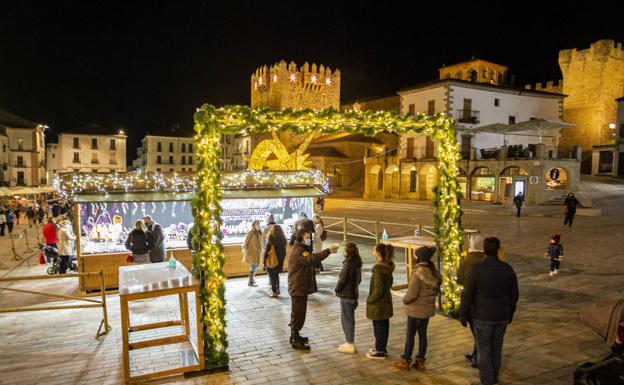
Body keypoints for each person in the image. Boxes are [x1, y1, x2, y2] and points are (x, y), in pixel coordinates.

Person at [459, 237, 519, 385]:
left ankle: (487, 381)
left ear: (484, 250)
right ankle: (493, 377)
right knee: (496, 348)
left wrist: (463, 315)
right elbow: (514, 295)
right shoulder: (507, 269)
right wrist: (510, 313)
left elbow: (467, 294)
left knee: (484, 349)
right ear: (497, 250)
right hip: (501, 316)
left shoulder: (476, 269)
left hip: (482, 316)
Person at [287, 229, 338, 349]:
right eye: (306, 237)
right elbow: (311, 259)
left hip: (300, 286)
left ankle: (296, 334)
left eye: (309, 236)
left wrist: (312, 271)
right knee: (298, 312)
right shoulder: (299, 251)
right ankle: (294, 338)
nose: (309, 238)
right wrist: (328, 250)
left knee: (299, 312)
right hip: (298, 287)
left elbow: (305, 264)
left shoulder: (301, 249)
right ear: (300, 238)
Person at [394, 246, 443, 371]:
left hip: (415, 310)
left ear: (419, 258)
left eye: (415, 255)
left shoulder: (418, 273)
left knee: (410, 336)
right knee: (422, 335)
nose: (413, 257)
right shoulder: (433, 272)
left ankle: (406, 360)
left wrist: (404, 300)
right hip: (426, 310)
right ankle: (420, 361)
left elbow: (412, 294)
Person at [457, 235, 485, 369]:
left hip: (471, 302)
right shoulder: (486, 260)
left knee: (476, 331)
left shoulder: (465, 261)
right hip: (484, 303)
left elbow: (460, 279)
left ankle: (478, 358)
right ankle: (476, 353)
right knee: (478, 331)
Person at [366, 243, 396, 359]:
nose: (372, 250)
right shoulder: (387, 266)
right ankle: (381, 348)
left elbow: (378, 289)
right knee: (384, 325)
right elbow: (390, 283)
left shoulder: (378, 269)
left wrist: (370, 299)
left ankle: (380, 351)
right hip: (386, 300)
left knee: (378, 327)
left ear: (378, 253)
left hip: (378, 303)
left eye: (374, 249)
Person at [335, 242, 362, 354]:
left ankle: (349, 343)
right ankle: (349, 342)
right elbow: (359, 279)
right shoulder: (357, 262)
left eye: (344, 249)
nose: (343, 251)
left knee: (347, 320)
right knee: (349, 319)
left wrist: (337, 289)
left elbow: (342, 279)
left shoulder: (348, 263)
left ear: (347, 251)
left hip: (346, 295)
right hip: (354, 294)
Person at [262, 215, 287, 298]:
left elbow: (266, 251)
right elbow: (284, 252)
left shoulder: (270, 238)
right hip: (280, 261)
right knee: (276, 275)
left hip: (272, 261)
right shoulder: (283, 239)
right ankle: (278, 288)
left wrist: (264, 261)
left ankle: (274, 292)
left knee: (272, 276)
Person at [242, 220, 262, 287]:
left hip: (258, 253)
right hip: (251, 252)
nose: (258, 225)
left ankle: (252, 278)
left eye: (259, 224)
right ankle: (250, 282)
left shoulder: (260, 232)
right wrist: (246, 250)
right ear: (253, 225)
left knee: (257, 265)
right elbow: (246, 242)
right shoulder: (250, 232)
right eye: (256, 224)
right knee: (253, 266)